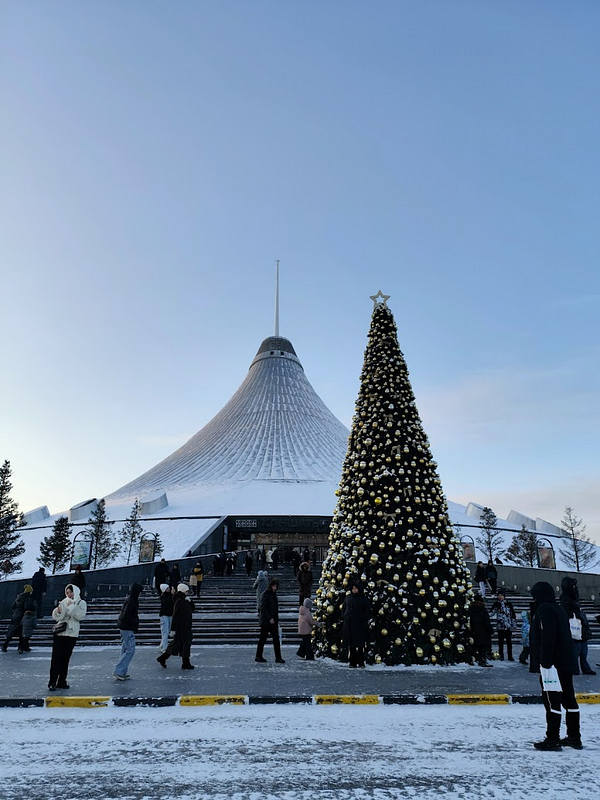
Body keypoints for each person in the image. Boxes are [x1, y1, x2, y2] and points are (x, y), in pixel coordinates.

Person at [529, 581, 581, 750]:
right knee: (569, 699)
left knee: (552, 701)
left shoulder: (544, 610)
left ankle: (553, 738)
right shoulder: (558, 609)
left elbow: (547, 637)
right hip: (565, 662)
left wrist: (545, 663)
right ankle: (574, 737)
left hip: (553, 666)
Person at [48, 583, 87, 690]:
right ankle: (52, 682)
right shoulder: (63, 601)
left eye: (71, 592)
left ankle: (61, 681)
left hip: (72, 634)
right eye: (67, 592)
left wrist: (71, 607)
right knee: (56, 658)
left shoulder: (81, 603)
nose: (69, 594)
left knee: (65, 659)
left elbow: (80, 616)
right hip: (60, 632)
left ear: (76, 591)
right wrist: (58, 611)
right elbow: (58, 617)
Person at [559, 576, 596, 675]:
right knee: (577, 649)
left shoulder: (573, 596)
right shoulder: (566, 597)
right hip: (576, 625)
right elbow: (564, 610)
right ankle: (576, 668)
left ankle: (584, 668)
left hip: (579, 625)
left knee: (583, 650)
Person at [157, 583, 195, 669]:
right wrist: (173, 629)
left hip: (185, 627)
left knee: (179, 644)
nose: (187, 592)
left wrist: (190, 601)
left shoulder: (184, 600)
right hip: (182, 628)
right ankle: (185, 663)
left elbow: (193, 609)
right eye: (186, 591)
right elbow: (176, 616)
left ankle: (163, 658)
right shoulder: (179, 601)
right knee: (183, 644)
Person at [113, 582, 143, 681]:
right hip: (127, 628)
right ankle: (119, 670)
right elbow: (127, 615)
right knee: (130, 650)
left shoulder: (130, 599)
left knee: (125, 649)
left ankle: (122, 671)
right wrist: (133, 624)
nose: (141, 594)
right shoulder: (132, 601)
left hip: (124, 627)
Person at [255, 578, 285, 664]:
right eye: (274, 586)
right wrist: (269, 618)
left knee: (276, 640)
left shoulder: (273, 595)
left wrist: (275, 619)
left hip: (273, 621)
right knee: (263, 639)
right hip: (266, 622)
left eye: (276, 586)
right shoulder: (265, 594)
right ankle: (258, 655)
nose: (275, 588)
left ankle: (278, 657)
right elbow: (263, 608)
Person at [342, 583, 371, 668]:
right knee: (351, 646)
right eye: (353, 588)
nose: (354, 590)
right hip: (349, 625)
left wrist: (362, 618)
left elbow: (368, 611)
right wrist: (345, 616)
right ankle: (352, 662)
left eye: (356, 588)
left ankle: (361, 662)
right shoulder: (348, 598)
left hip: (359, 625)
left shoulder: (363, 599)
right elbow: (344, 608)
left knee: (360, 645)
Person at [2, 584, 37, 653]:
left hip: (15, 616)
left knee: (11, 633)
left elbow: (13, 606)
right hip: (22, 617)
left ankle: (4, 645)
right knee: (22, 633)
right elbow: (27, 607)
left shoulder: (18, 598)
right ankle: (20, 648)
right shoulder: (27, 598)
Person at [490, 589, 517, 661]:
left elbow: (513, 615)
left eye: (501, 595)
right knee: (500, 642)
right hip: (500, 626)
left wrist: (514, 624)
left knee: (509, 642)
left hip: (508, 625)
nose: (500, 597)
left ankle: (510, 656)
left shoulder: (508, 604)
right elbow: (491, 613)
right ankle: (501, 655)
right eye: (499, 595)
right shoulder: (496, 604)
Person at [469, 593, 493, 667]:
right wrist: (490, 630)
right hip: (483, 632)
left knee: (478, 647)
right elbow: (486, 621)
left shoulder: (471, 609)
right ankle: (482, 660)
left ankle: (478, 659)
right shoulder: (483, 610)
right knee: (483, 648)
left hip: (475, 631)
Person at [158, 584, 174, 652]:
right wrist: (171, 594)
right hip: (165, 615)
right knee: (165, 631)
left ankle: (162, 645)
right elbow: (166, 602)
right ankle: (164, 647)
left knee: (168, 630)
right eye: (167, 588)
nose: (169, 589)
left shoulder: (169, 595)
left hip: (170, 614)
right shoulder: (163, 596)